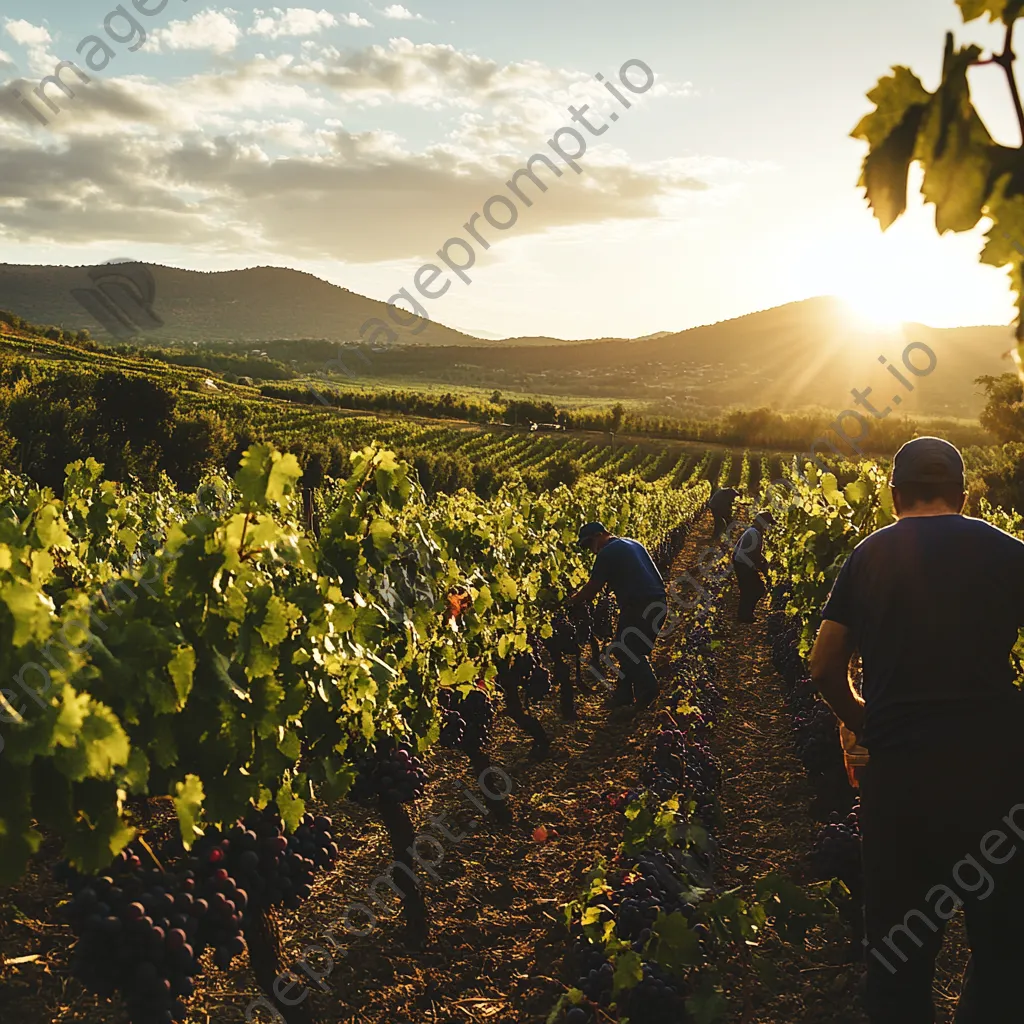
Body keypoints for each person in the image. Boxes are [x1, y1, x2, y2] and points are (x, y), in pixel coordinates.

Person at [808, 436, 1024, 1024]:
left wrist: (864, 722)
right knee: (1004, 951)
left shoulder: (869, 555)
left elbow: (824, 665)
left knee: (899, 959)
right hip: (997, 786)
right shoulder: (1011, 553)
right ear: (963, 493)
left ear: (894, 495)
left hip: (900, 785)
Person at [567, 522, 667, 707]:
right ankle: (623, 697)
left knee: (625, 650)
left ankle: (650, 691)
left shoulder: (607, 553)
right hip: (658, 603)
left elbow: (592, 589)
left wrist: (571, 601)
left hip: (639, 605)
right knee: (628, 649)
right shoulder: (632, 543)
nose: (592, 551)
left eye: (590, 544)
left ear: (600, 535)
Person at [732, 510, 774, 623]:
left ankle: (745, 615)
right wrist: (764, 571)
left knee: (748, 590)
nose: (768, 527)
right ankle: (745, 616)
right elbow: (755, 556)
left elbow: (755, 554)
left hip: (741, 561)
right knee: (757, 589)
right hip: (742, 563)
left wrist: (762, 562)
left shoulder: (753, 531)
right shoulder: (754, 533)